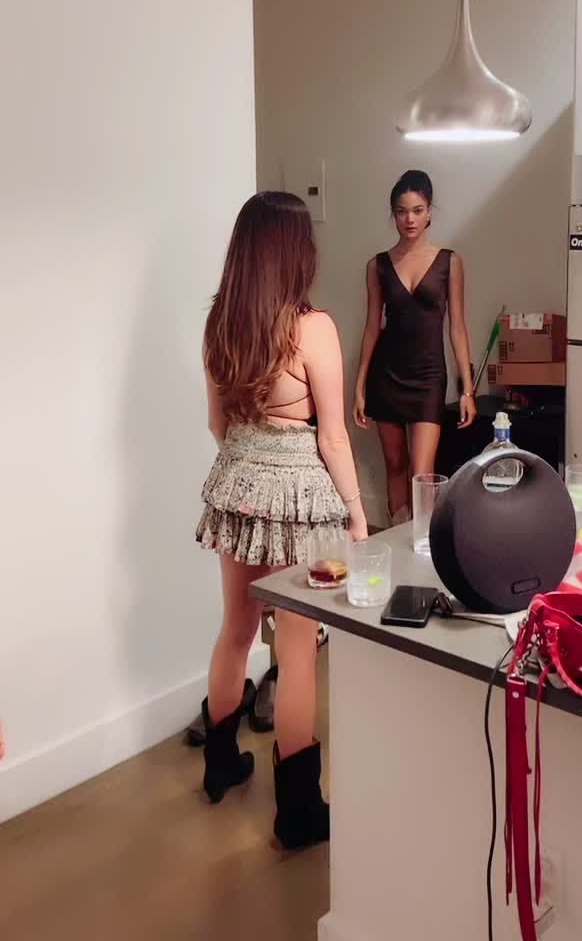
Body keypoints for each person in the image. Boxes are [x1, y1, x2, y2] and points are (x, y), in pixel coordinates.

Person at [196, 191, 367, 849]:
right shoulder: (312, 327)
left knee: (236, 630)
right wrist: (357, 514)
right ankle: (297, 810)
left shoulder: (219, 324)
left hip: (236, 484)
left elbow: (218, 424)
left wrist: (249, 464)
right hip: (300, 498)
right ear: (294, 252)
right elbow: (333, 438)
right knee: (296, 654)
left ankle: (219, 765)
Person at [353, 170, 476, 523]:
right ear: (393, 214)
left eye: (418, 210)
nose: (410, 219)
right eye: (402, 211)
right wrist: (359, 387)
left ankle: (422, 541)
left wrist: (467, 389)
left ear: (429, 212)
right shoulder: (377, 266)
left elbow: (457, 328)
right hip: (386, 375)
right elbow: (371, 328)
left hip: (428, 377)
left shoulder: (450, 262)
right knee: (394, 464)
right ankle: (396, 533)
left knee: (422, 475)